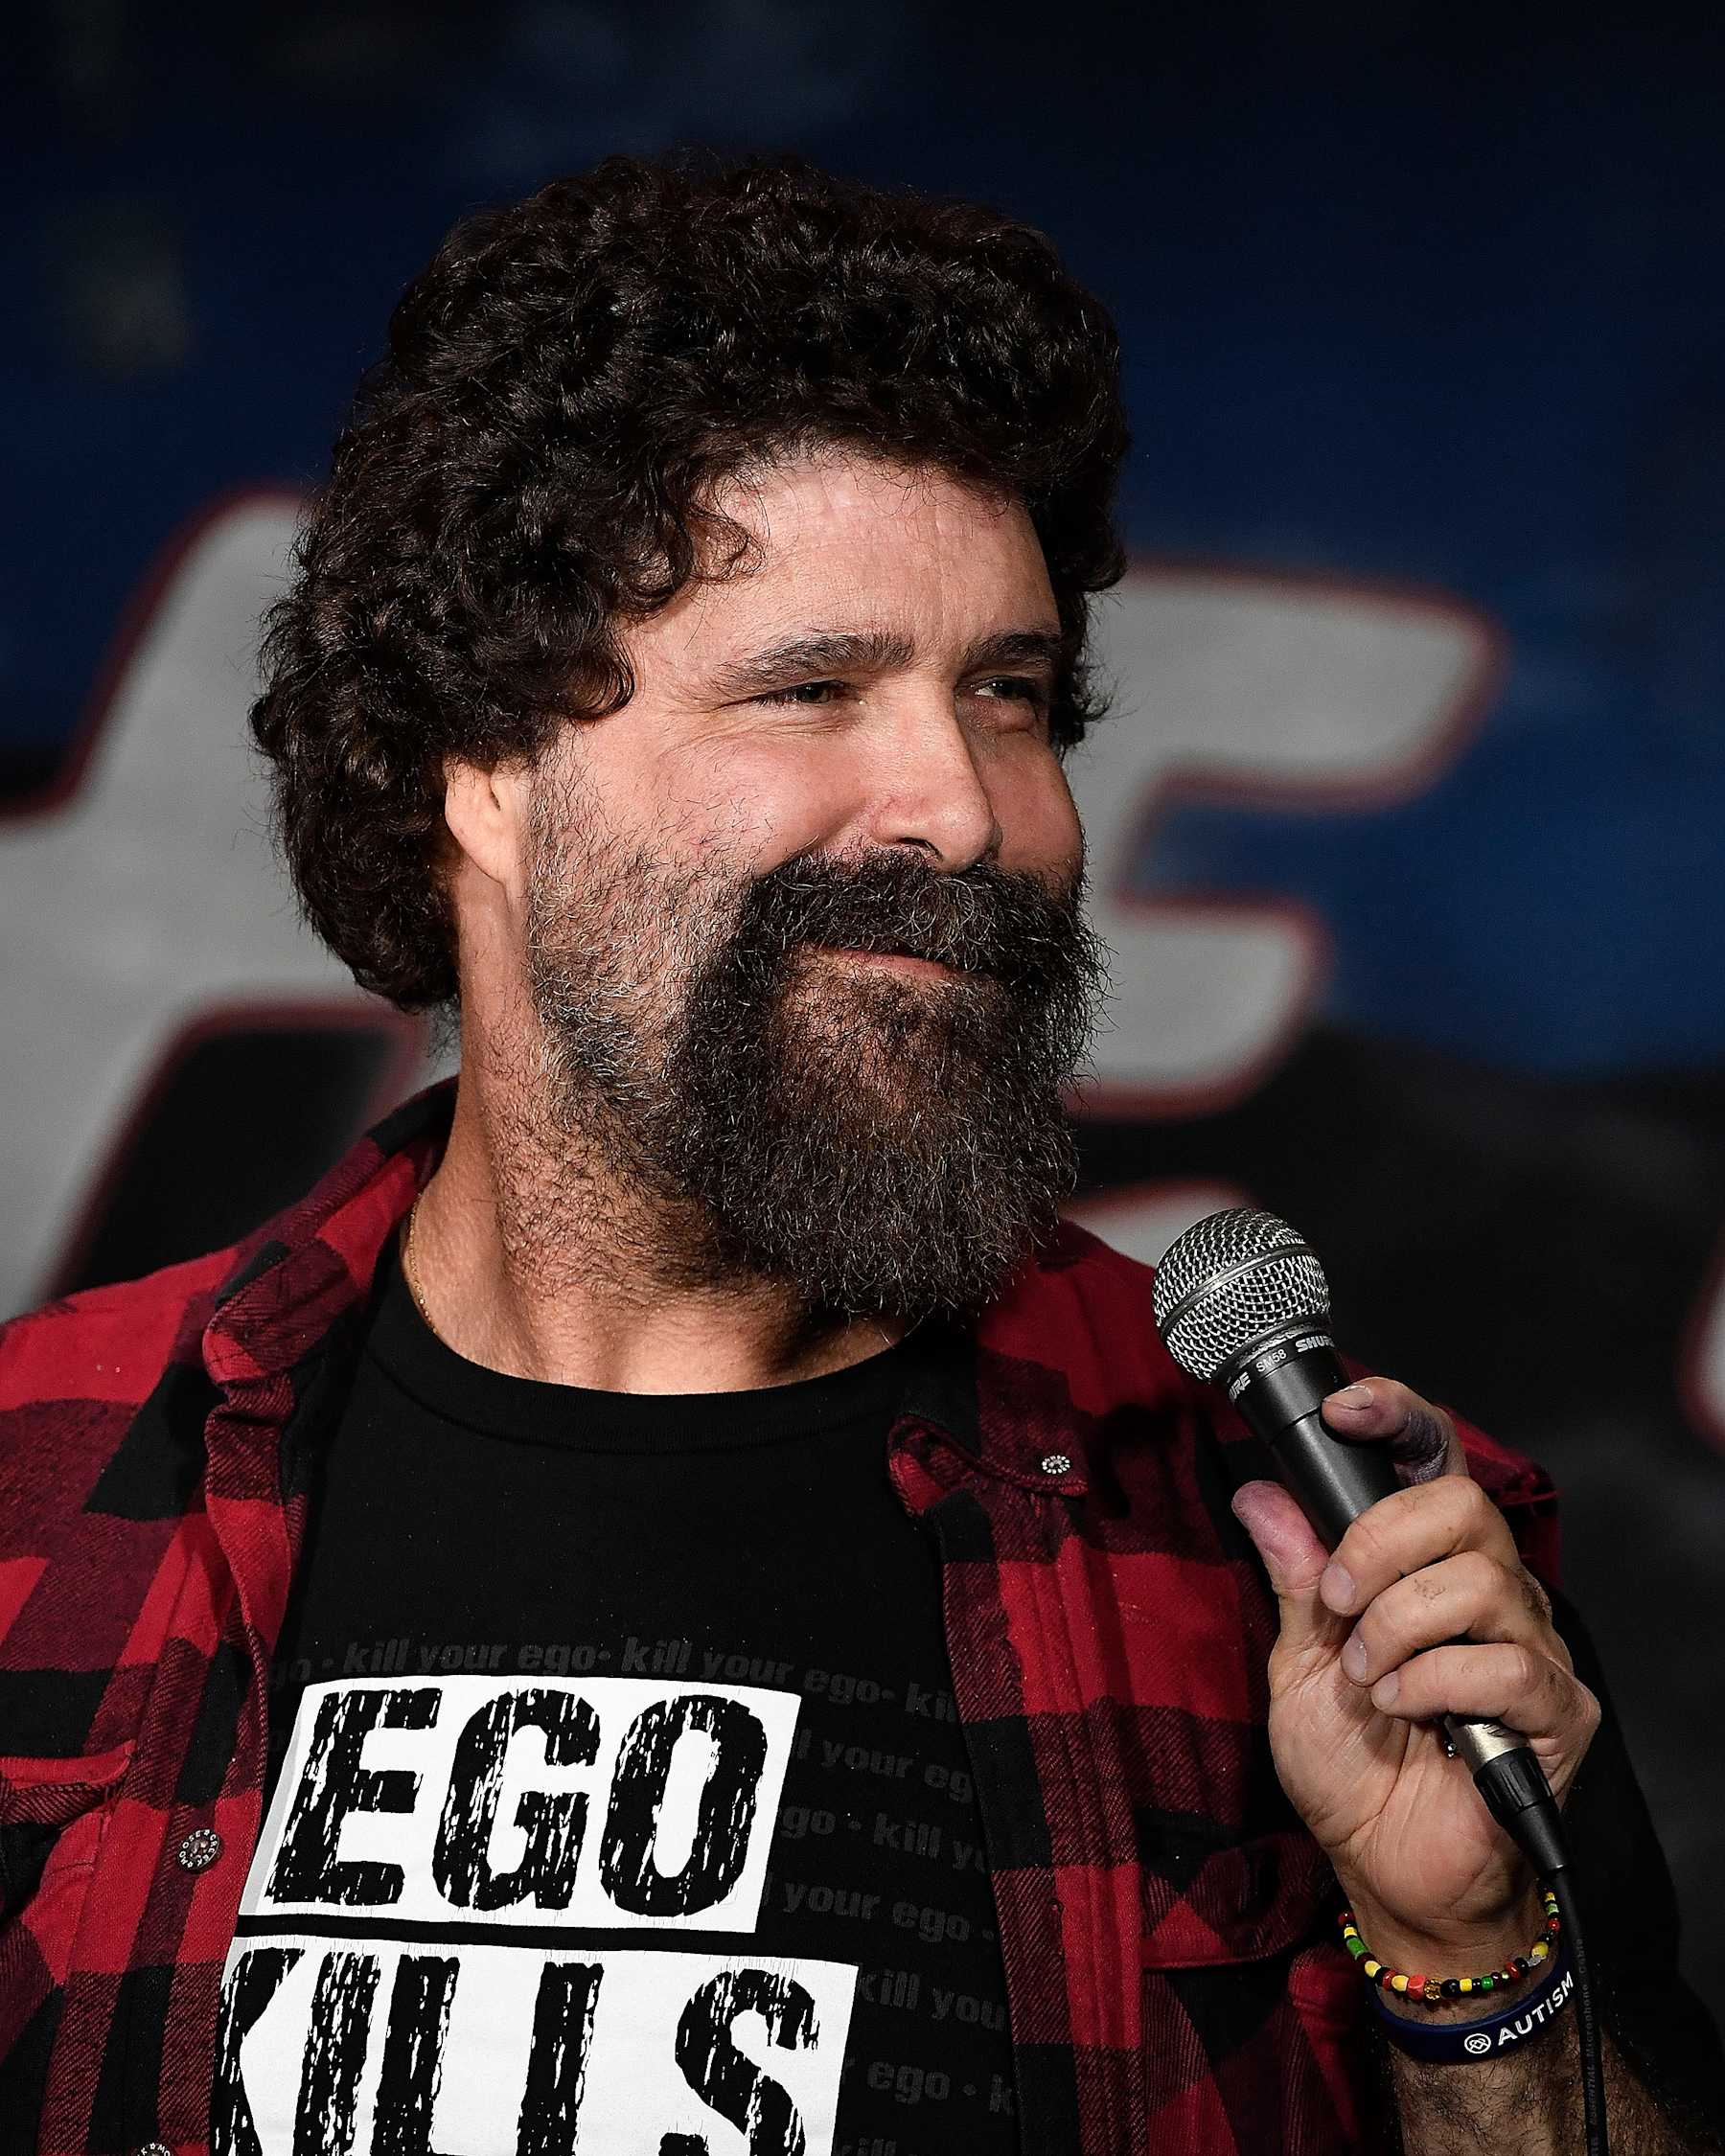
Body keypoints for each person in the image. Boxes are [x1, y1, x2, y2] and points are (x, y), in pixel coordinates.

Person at [0, 153, 1718, 2156]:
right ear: (473, 772)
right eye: (813, 690)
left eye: (1011, 699)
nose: (966, 812)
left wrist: (1475, 1966)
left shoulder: (1320, 1545)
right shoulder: (43, 1490)